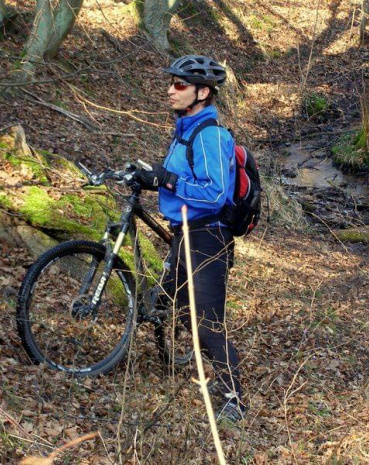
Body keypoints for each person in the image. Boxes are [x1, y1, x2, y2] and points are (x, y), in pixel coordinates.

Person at [133, 55, 246, 422]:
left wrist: (165, 180)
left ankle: (233, 399)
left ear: (203, 92)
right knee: (177, 306)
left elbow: (213, 195)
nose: (171, 90)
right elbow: (179, 178)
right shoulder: (185, 128)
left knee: (208, 322)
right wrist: (150, 176)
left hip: (209, 238)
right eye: (171, 83)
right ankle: (196, 366)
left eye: (179, 85)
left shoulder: (210, 134)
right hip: (184, 233)